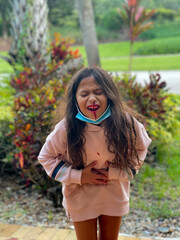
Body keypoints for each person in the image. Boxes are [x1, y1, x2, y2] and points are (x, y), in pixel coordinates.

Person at [38, 66, 151, 240]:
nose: (92, 98)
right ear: (75, 99)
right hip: (80, 196)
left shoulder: (126, 123)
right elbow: (45, 156)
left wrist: (119, 172)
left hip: (113, 194)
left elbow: (141, 146)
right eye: (84, 94)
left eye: (99, 92)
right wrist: (79, 176)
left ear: (110, 95)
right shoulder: (66, 128)